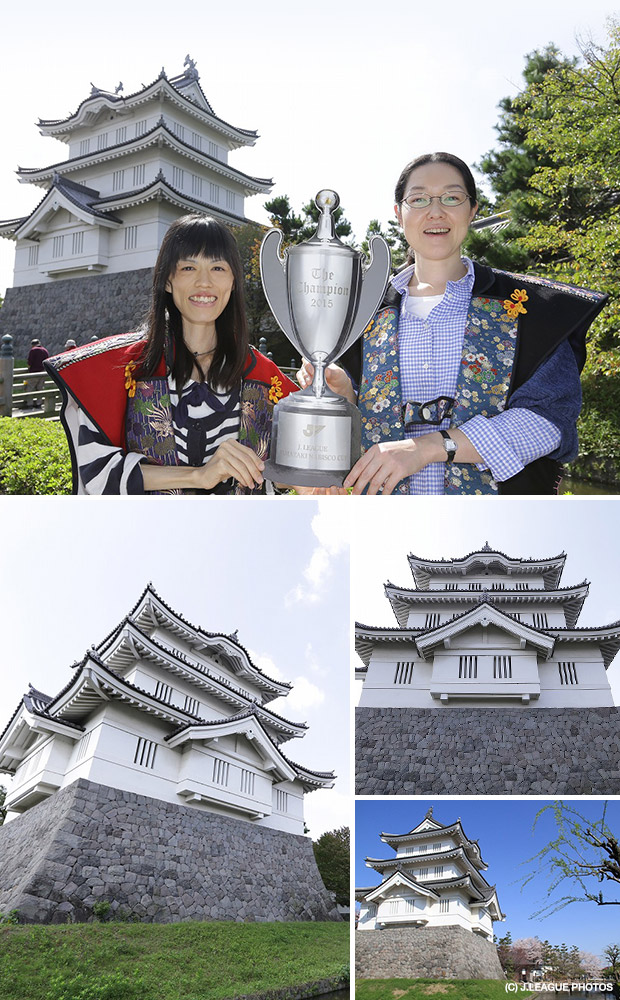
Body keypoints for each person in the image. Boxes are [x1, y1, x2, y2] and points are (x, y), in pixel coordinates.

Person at [301, 152, 608, 495]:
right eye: (418, 199)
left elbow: (551, 422)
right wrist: (345, 398)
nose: (435, 211)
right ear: (399, 215)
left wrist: (431, 446)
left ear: (473, 210)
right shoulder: (359, 315)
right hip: (384, 523)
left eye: (451, 197)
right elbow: (349, 436)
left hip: (495, 525)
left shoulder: (532, 309)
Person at [45, 215, 297, 494]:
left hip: (239, 533)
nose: (205, 282)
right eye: (189, 267)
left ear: (233, 282)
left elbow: (283, 474)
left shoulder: (261, 376)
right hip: (152, 535)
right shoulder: (122, 367)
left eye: (218, 268)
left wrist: (341, 395)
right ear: (167, 280)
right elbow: (96, 472)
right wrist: (198, 476)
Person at [27, 338, 49, 409]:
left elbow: (30, 362)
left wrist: (28, 368)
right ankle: (39, 404)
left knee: (30, 388)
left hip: (34, 372)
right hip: (43, 372)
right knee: (40, 388)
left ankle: (29, 404)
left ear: (32, 345)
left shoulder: (33, 350)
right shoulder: (45, 350)